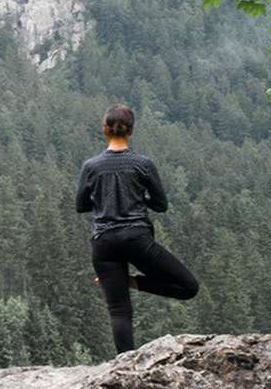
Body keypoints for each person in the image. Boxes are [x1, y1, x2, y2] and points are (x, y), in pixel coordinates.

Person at [75, 103, 199, 354]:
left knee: (119, 311)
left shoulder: (91, 166)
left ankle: (124, 370)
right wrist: (138, 198)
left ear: (104, 130)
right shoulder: (143, 164)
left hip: (104, 242)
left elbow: (81, 205)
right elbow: (161, 205)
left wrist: (104, 201)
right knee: (188, 287)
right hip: (136, 239)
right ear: (131, 132)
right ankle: (133, 283)